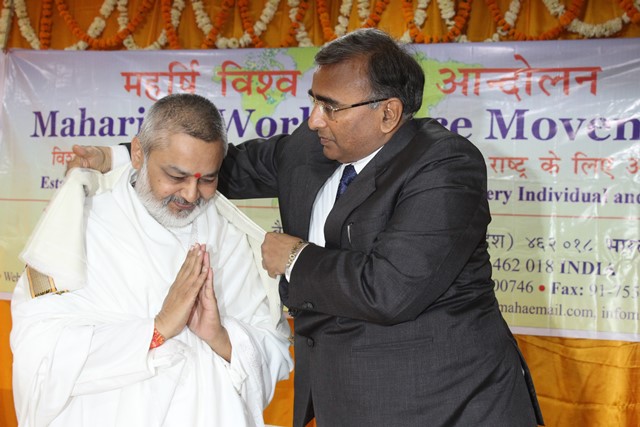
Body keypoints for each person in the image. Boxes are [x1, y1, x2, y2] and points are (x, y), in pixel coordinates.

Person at [69, 29, 544, 427]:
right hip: (343, 399)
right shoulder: (311, 145)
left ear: (388, 114)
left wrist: (295, 258)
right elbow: (215, 168)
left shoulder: (444, 167)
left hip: (443, 402)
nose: (314, 118)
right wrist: (119, 157)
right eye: (314, 101)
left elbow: (392, 288)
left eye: (330, 106)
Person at [11, 93, 293, 427]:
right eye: (176, 176)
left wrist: (219, 336)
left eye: (208, 179)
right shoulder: (79, 229)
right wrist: (156, 330)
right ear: (137, 154)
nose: (191, 194)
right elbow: (38, 352)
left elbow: (272, 347)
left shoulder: (229, 238)